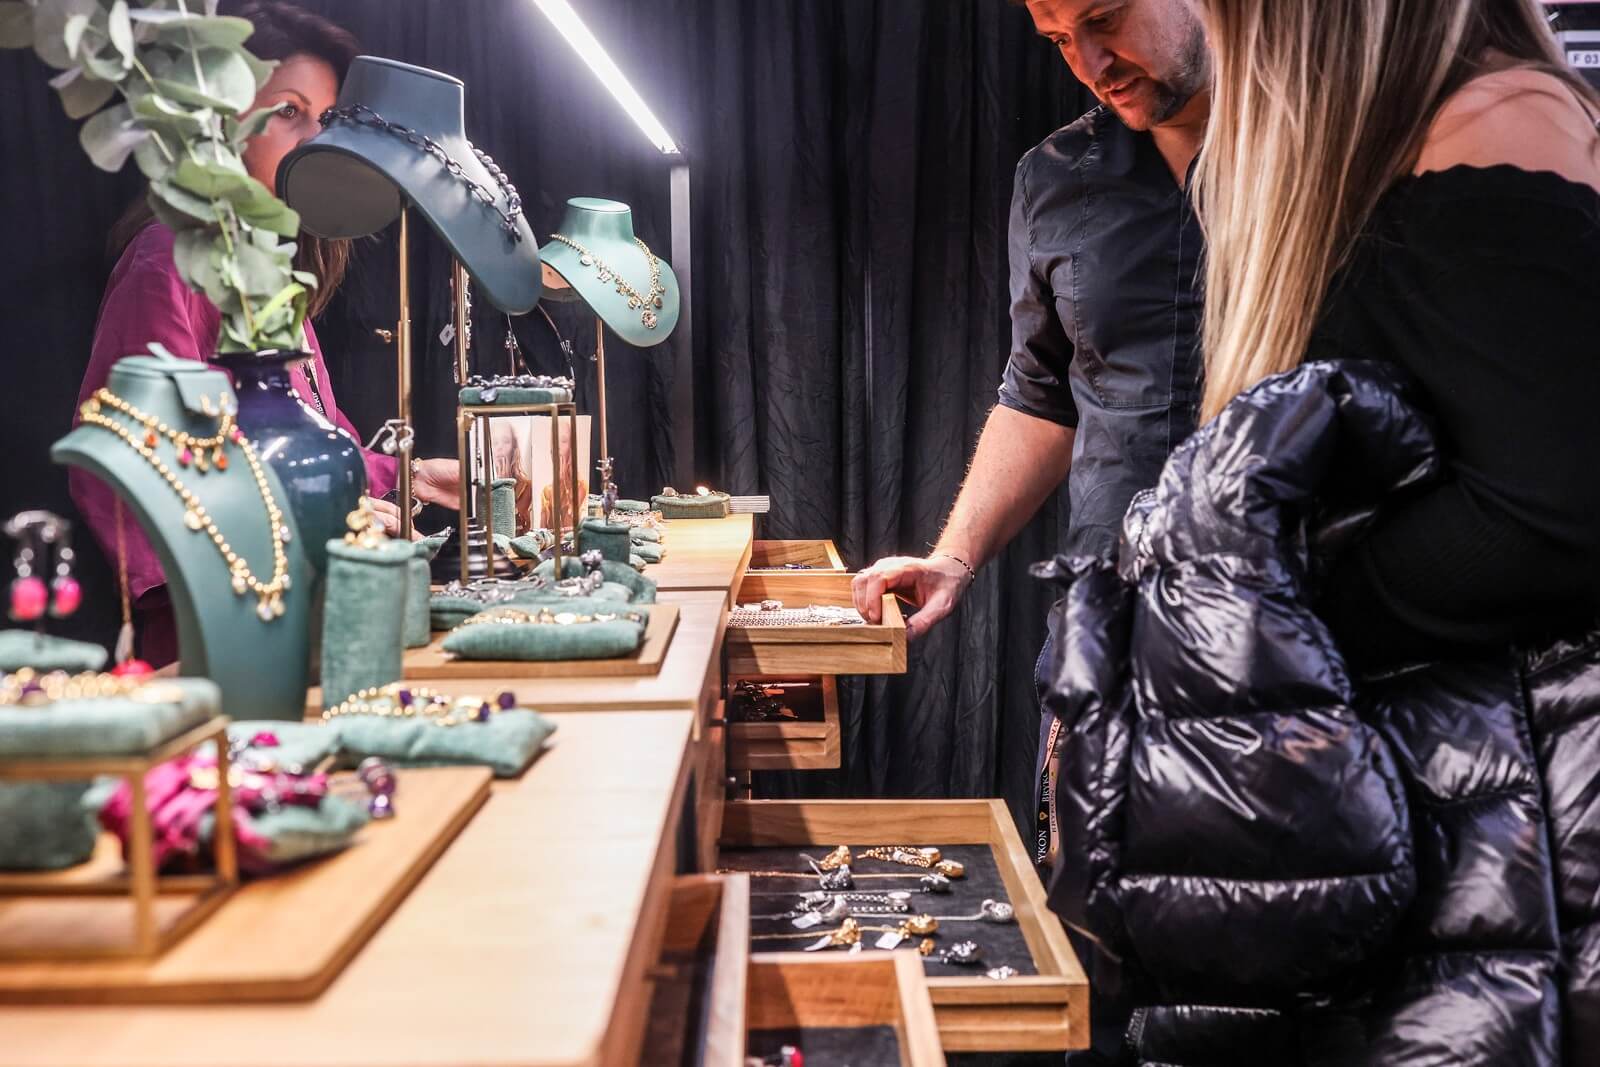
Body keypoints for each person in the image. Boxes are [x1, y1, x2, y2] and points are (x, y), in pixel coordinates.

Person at [1042, 0, 1600, 1061]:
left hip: (1509, 840)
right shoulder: (1408, 140)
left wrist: (1253, 622)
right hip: (1452, 817)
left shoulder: (1496, 119)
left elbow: (1548, 516)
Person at [70, 1, 478, 665]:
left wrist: (411, 478)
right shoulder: (169, 260)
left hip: (310, 621)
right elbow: (128, 462)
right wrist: (281, 532)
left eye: (328, 119)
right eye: (289, 111)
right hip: (222, 639)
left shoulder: (270, 270)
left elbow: (311, 446)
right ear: (220, 122)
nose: (316, 138)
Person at [852, 0, 1211, 639]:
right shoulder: (1054, 177)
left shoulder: (1333, 152)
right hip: (1109, 616)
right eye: (1060, 40)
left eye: (1105, 18)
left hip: (1304, 625)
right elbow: (1040, 396)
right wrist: (953, 557)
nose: (1092, 65)